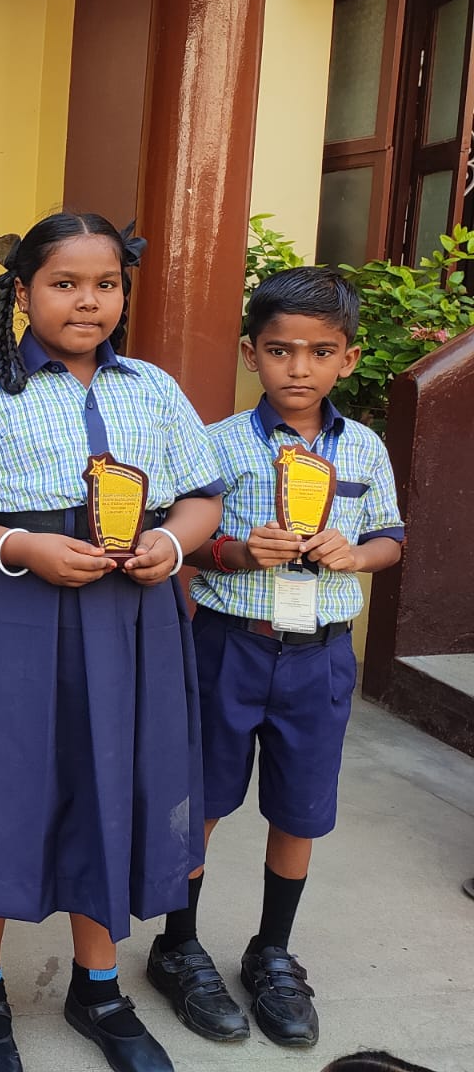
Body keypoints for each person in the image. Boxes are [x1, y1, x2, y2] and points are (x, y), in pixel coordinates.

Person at [0, 213, 224, 1072]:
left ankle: (99, 987)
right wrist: (24, 547)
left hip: (132, 616)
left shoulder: (153, 389)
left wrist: (173, 544)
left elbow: (202, 495)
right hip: (13, 611)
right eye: (64, 283)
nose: (88, 301)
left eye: (106, 284)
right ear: (22, 294)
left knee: (110, 784)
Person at [150, 268, 403, 1050]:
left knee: (300, 808)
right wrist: (234, 550)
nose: (299, 367)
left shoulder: (365, 448)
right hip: (229, 645)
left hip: (318, 657)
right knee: (202, 799)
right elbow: (186, 541)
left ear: (348, 359)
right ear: (249, 353)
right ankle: (178, 944)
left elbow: (390, 538)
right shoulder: (217, 443)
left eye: (320, 352)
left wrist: (355, 555)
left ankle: (271, 951)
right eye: (280, 349)